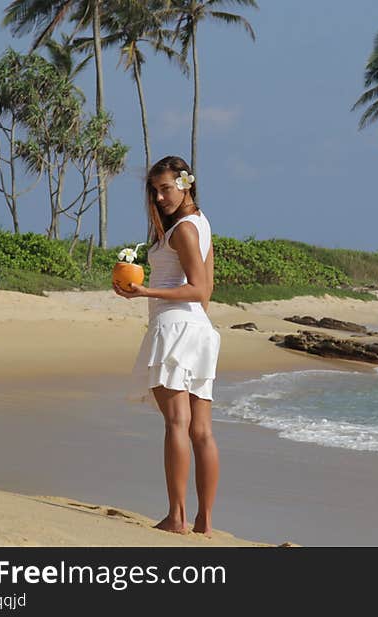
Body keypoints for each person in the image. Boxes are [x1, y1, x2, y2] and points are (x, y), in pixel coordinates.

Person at [114, 155, 221, 537]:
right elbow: (205, 295)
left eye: (166, 188)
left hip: (175, 327)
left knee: (178, 423)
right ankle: (204, 521)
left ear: (185, 184)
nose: (159, 197)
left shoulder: (182, 231)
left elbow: (199, 288)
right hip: (198, 329)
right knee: (201, 430)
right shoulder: (200, 224)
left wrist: (145, 290)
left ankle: (177, 518)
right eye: (154, 190)